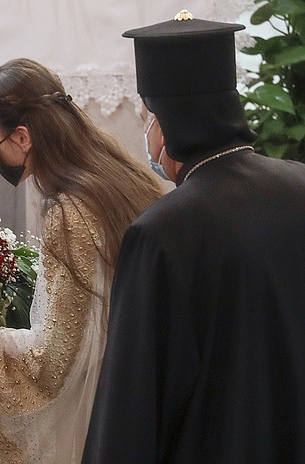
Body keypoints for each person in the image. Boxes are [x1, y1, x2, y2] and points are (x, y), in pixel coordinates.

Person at [0, 58, 164, 463]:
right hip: (137, 385)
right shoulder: (117, 177)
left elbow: (53, 361)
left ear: (23, 137)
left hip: (96, 408)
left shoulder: (71, 212)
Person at [83, 11, 305, 463]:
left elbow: (135, 396)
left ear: (167, 121)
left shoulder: (161, 232)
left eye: (147, 116)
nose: (147, 132)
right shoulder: (300, 185)